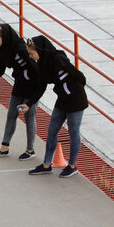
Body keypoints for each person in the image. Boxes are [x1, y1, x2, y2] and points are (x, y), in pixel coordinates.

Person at [20, 35, 88, 178]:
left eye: (32, 53)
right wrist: (28, 103)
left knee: (73, 132)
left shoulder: (58, 59)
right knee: (52, 130)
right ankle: (46, 164)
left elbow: (79, 76)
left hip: (76, 100)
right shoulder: (42, 65)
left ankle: (72, 166)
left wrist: (72, 90)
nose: (31, 57)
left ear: (39, 50)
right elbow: (41, 87)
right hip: (62, 100)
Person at [0, 23, 44, 160]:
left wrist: (32, 99)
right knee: (11, 114)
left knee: (29, 117)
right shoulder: (2, 49)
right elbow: (0, 71)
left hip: (32, 87)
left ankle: (30, 150)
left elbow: (37, 71)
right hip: (19, 85)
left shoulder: (21, 49)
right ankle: (4, 147)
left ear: (4, 37)